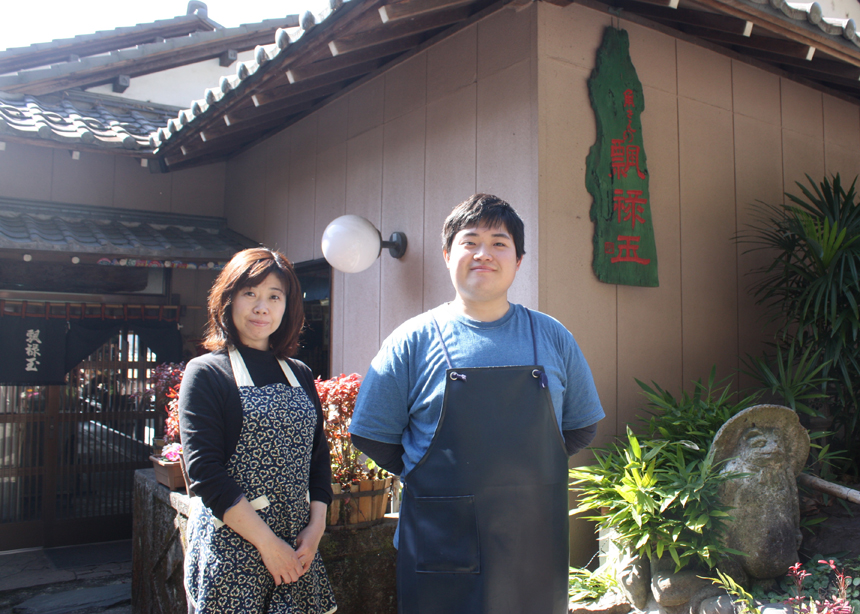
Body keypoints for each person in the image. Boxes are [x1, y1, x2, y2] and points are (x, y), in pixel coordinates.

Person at [349, 194, 605, 614]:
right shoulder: (411, 340)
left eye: (499, 243)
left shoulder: (552, 336)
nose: (484, 254)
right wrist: (433, 476)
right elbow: (372, 435)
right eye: (470, 241)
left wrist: (522, 480)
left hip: (533, 544)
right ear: (448, 254)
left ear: (518, 261)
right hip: (440, 542)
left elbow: (579, 427)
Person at [179, 248, 337, 614]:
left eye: (274, 296)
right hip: (233, 550)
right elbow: (205, 473)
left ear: (287, 306)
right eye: (250, 293)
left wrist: (315, 530)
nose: (261, 307)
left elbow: (318, 457)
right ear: (228, 298)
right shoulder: (206, 373)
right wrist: (268, 545)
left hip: (297, 550)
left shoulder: (299, 373)